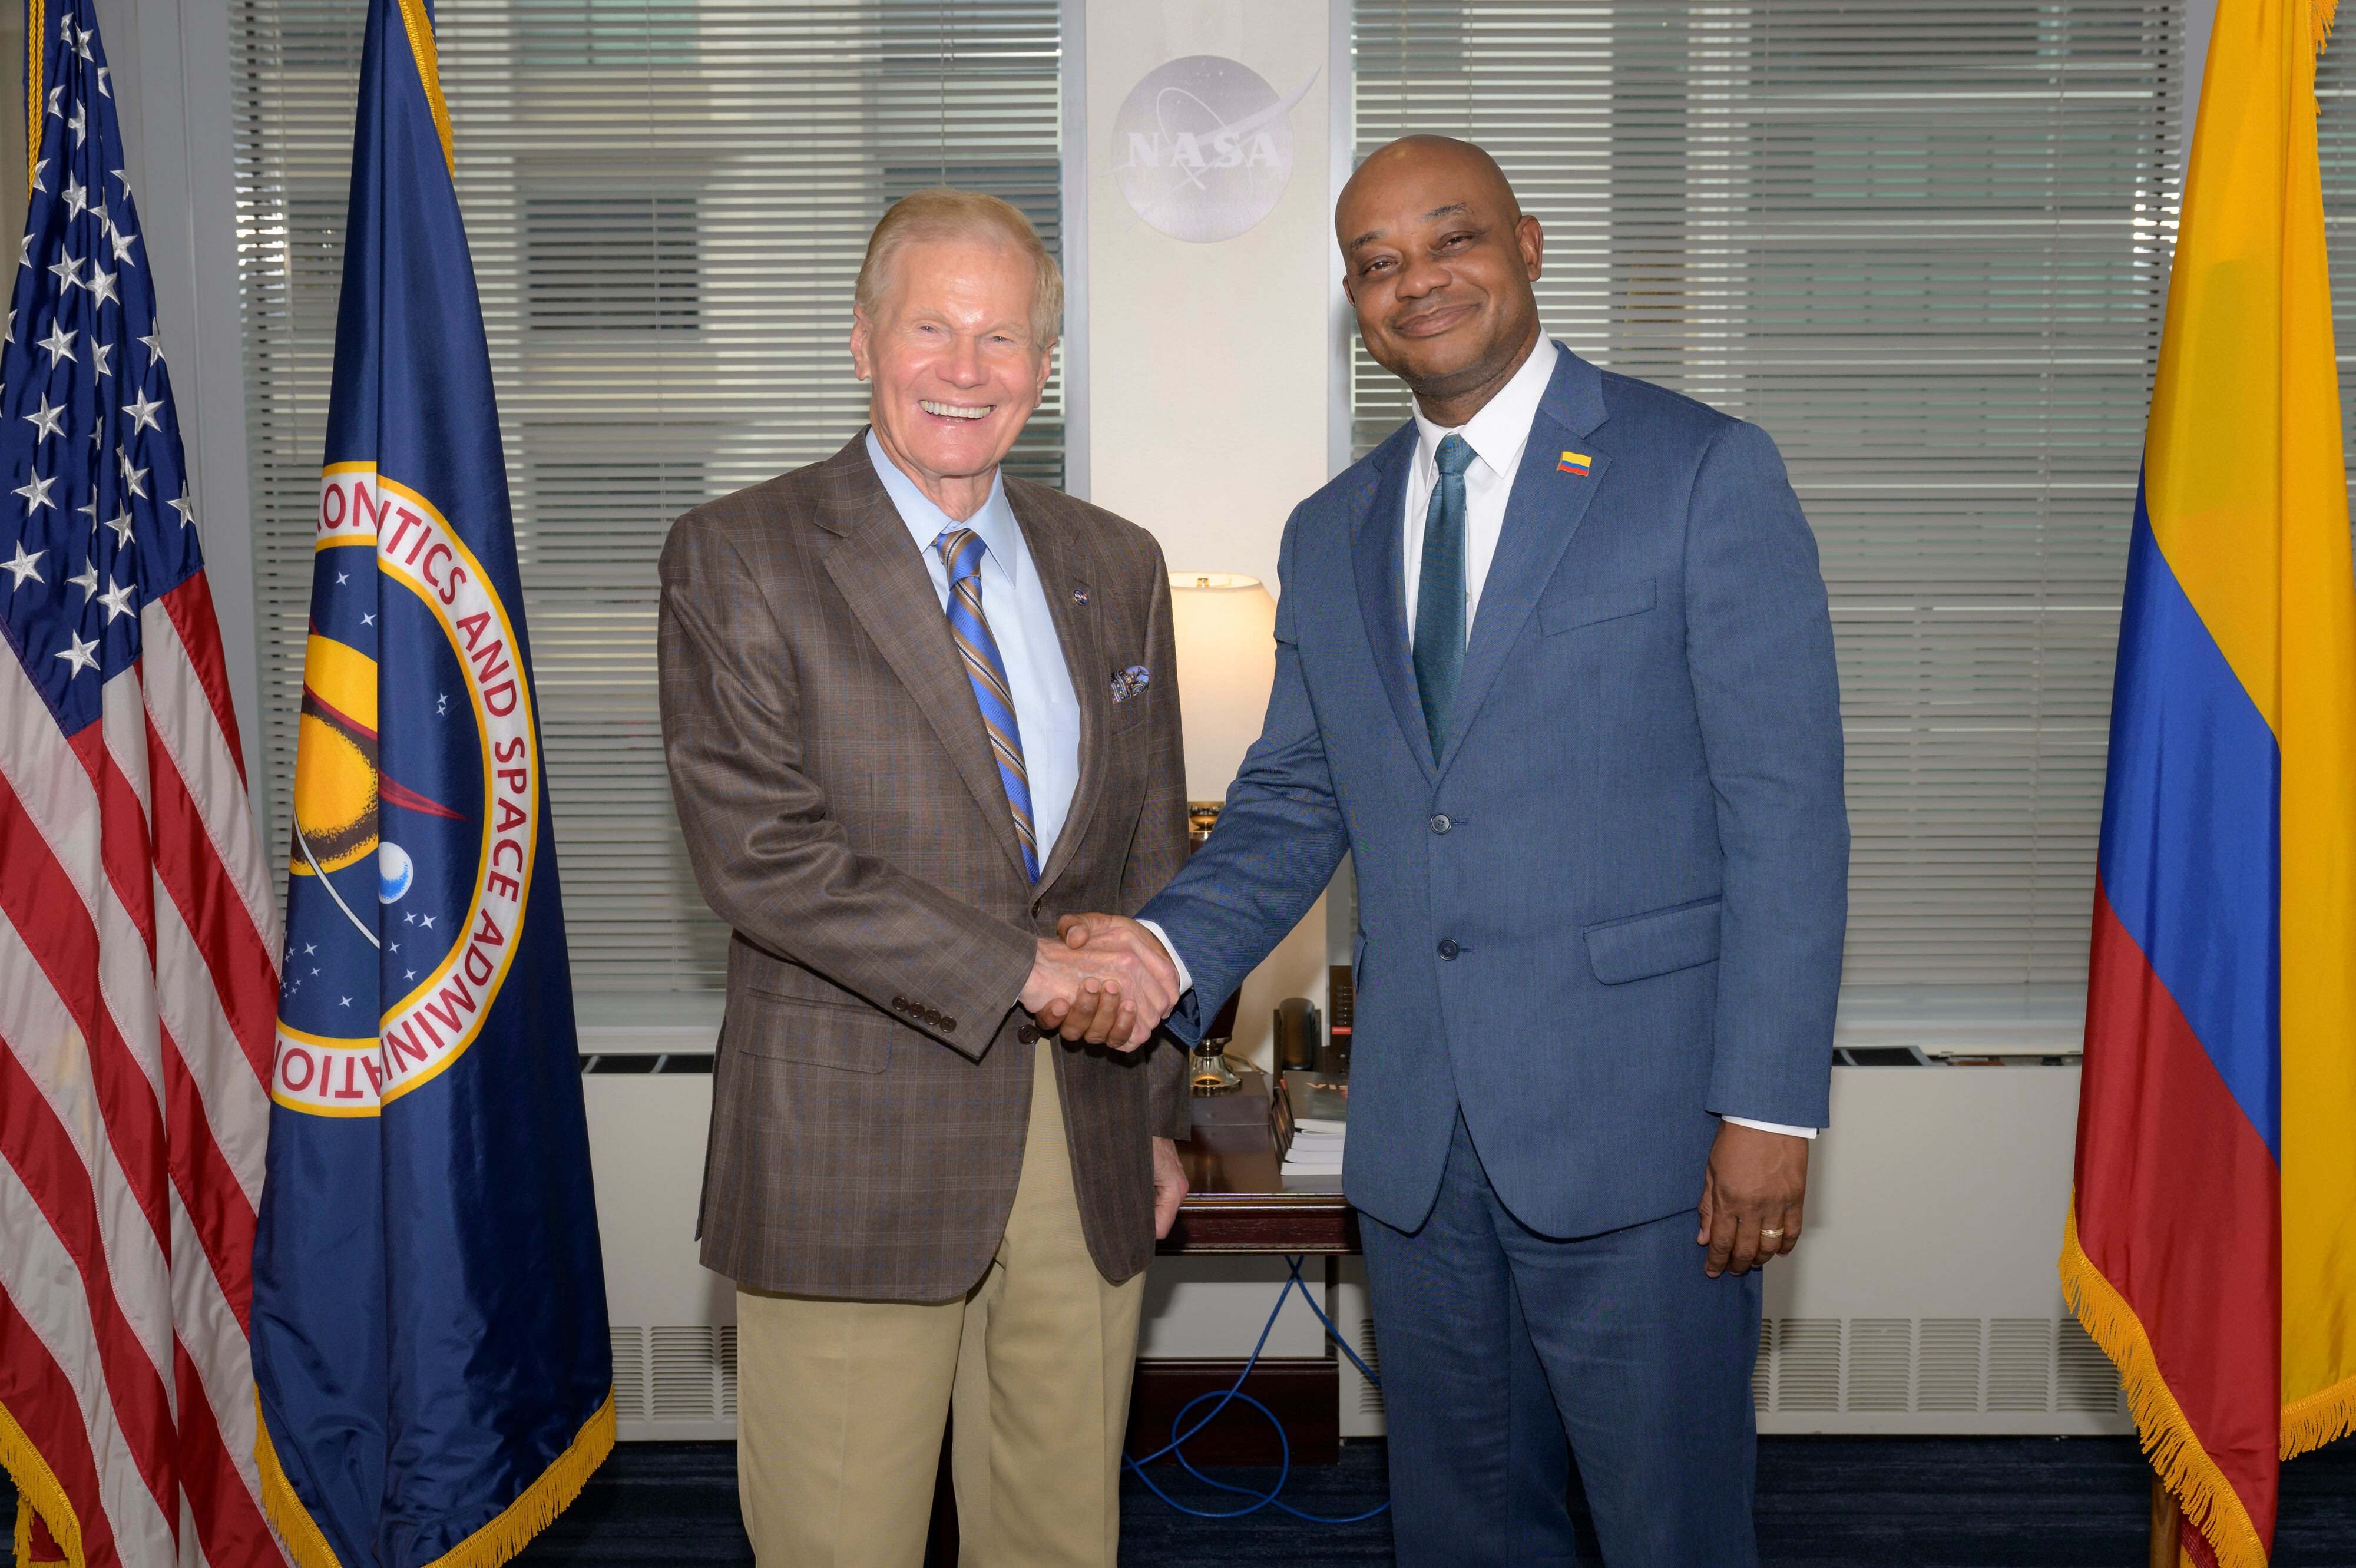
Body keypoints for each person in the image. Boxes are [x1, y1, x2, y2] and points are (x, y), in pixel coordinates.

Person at [1059, 136, 1848, 1564]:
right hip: (1417, 1150)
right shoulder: (1331, 528)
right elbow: (1298, 793)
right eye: (1375, 263)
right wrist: (1161, 947)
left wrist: (1770, 1110)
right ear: (1353, 303)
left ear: (1528, 244)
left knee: (1670, 1529)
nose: (1416, 280)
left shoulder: (1696, 471)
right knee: (1461, 1526)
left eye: (1450, 239)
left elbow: (1785, 812)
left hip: (1645, 1132)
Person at [657, 187, 1192, 1568]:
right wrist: (1025, 967)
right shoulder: (739, 554)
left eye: (1002, 336)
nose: (966, 369)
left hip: (1079, 1142)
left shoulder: (1114, 563)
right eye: (931, 328)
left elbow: (1145, 857)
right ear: (859, 340)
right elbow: (760, 853)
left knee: (1060, 1535)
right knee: (843, 1543)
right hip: (853, 1143)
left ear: (1044, 364)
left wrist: (1154, 1113)